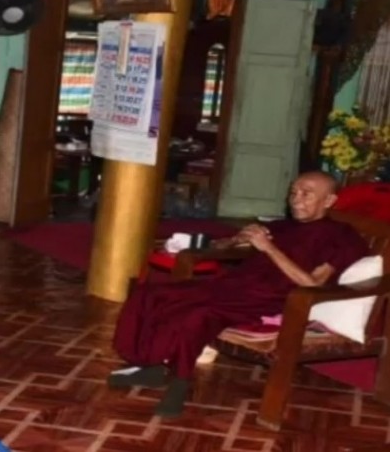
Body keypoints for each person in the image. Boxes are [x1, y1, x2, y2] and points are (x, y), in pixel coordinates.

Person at [108, 171, 369, 417]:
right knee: (150, 294)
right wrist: (238, 239)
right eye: (293, 192)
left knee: (197, 314)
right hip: (232, 285)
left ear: (329, 201)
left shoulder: (341, 237)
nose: (296, 199)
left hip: (271, 298)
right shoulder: (281, 226)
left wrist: (268, 248)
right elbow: (221, 245)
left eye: (306, 194)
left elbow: (311, 283)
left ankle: (180, 382)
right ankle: (153, 365)